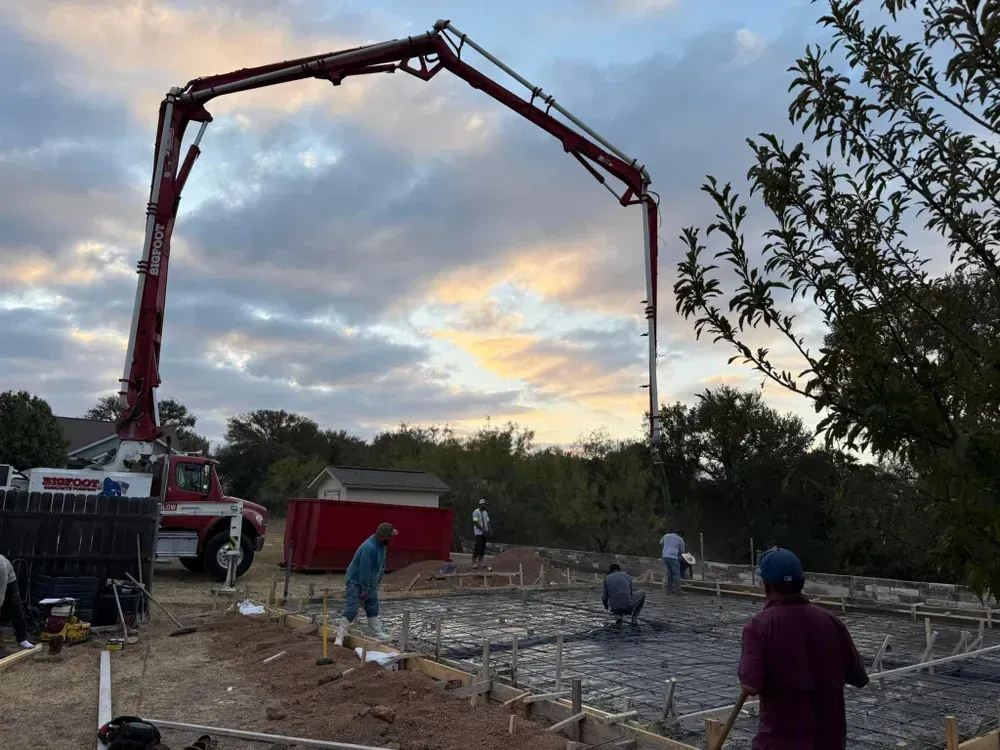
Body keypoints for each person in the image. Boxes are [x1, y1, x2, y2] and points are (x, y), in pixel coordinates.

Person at [738, 548, 869, 750]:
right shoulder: (832, 623)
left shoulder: (758, 627)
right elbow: (859, 678)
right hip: (830, 741)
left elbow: (751, 685)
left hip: (779, 742)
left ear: (767, 585)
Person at [334, 522, 398, 647]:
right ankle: (339, 637)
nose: (392, 538)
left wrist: (379, 578)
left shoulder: (383, 545)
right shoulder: (369, 549)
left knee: (373, 606)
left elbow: (382, 563)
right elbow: (364, 572)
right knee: (352, 608)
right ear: (383, 536)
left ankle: (378, 634)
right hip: (356, 580)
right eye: (390, 536)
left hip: (371, 580)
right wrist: (364, 593)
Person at [0, 554, 34, 650]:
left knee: (15, 608)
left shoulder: (1, 565)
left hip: (8, 582)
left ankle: (22, 639)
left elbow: (1, 591)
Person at [659, 529, 685, 593]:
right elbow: (682, 551)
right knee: (676, 574)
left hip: (665, 556)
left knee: (670, 573)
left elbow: (660, 542)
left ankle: (669, 589)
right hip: (673, 557)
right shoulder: (680, 539)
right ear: (681, 534)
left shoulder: (666, 535)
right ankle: (678, 590)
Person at [471, 498, 491, 569]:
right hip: (479, 532)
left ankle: (480, 561)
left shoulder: (485, 512)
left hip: (485, 532)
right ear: (481, 504)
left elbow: (488, 521)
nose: (485, 506)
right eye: (484, 505)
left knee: (483, 547)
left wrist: (489, 530)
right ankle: (474, 562)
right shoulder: (475, 512)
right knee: (478, 547)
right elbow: (475, 522)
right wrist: (482, 529)